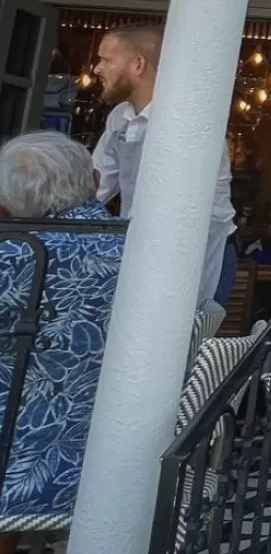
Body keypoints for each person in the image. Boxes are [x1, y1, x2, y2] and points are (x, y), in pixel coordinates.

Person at [0, 132, 126, 553]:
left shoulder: (17, 254)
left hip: (19, 454)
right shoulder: (139, 249)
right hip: (109, 451)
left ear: (8, 202)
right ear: (93, 177)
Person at [90, 23, 237, 310]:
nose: (97, 68)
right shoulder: (121, 116)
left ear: (138, 64)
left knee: (177, 344)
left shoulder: (188, 119)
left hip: (196, 250)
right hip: (141, 248)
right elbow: (96, 184)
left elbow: (184, 205)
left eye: (106, 59)